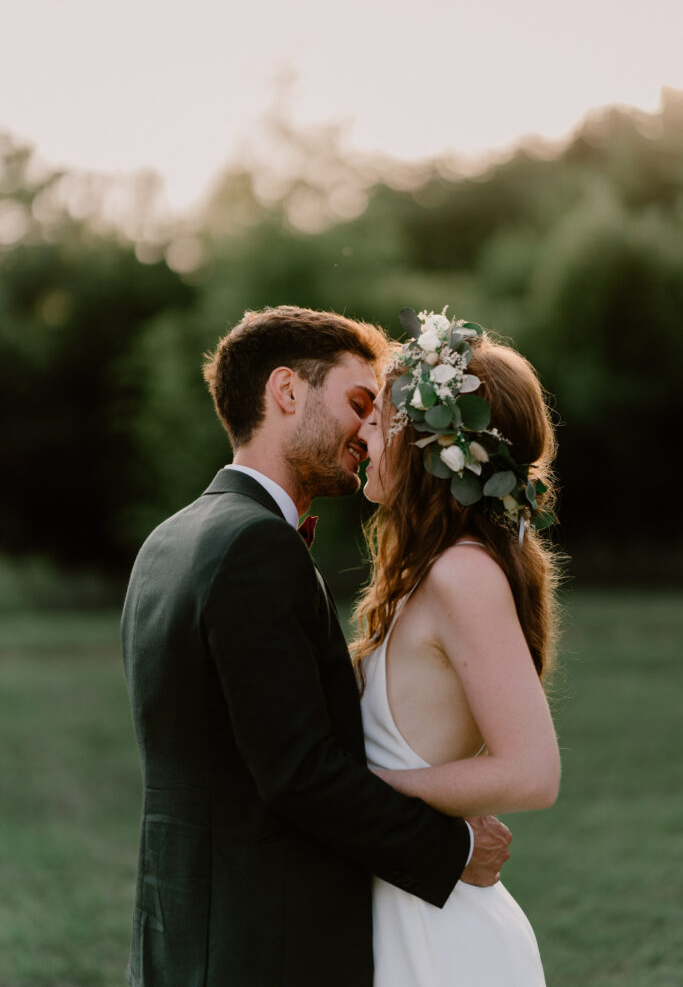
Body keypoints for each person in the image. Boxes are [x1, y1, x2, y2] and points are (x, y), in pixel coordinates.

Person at [121, 305, 511, 987]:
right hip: (262, 946)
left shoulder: (169, 539)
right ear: (286, 392)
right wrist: (451, 848)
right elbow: (297, 772)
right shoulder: (252, 546)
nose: (369, 429)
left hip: (178, 934)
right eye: (358, 402)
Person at [354, 308, 563, 986]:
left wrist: (356, 792)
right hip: (403, 907)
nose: (359, 432)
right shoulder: (432, 569)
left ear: (427, 441)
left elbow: (530, 773)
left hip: (440, 942)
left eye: (377, 419)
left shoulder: (461, 574)